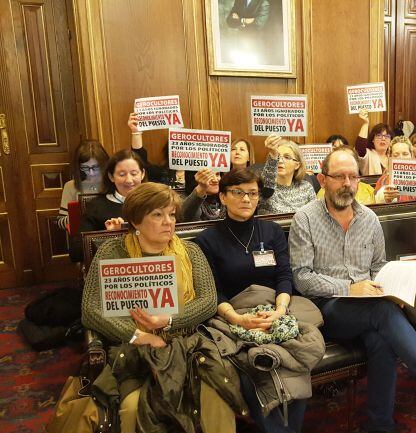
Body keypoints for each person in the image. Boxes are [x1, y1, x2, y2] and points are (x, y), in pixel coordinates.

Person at [289, 148, 416, 432]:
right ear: (323, 180)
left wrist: (393, 287)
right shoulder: (305, 218)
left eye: (352, 176)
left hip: (372, 308)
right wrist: (350, 289)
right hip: (327, 310)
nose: (347, 183)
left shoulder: (369, 219)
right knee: (381, 312)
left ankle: (380, 425)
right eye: (339, 177)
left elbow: (378, 265)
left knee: (381, 338)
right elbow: (302, 278)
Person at [81, 182, 244, 432]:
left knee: (216, 395)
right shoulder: (112, 252)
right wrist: (140, 336)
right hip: (132, 351)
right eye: (157, 215)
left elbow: (208, 301)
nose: (168, 222)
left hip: (185, 344)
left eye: (171, 214)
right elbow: (91, 310)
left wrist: (167, 321)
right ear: (136, 221)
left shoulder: (190, 251)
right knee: (133, 407)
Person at [195, 169, 312, 432]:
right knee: (253, 367)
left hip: (275, 310)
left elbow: (284, 275)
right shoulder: (208, 240)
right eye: (238, 193)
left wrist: (280, 310)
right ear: (223, 198)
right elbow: (213, 290)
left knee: (296, 359)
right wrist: (237, 319)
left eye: (252, 193)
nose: (246, 199)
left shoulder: (271, 231)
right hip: (232, 315)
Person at [80, 149, 146, 233]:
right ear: (111, 177)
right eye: (122, 174)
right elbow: (80, 242)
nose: (129, 180)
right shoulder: (96, 206)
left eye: (134, 174)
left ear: (142, 174)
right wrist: (110, 234)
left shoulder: (154, 203)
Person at [57, 139, 109, 232]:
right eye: (85, 167)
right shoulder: (71, 186)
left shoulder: (114, 182)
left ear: (103, 164)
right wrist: (77, 215)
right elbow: (60, 222)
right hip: (83, 236)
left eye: (95, 167)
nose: (91, 173)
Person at [258, 135, 316, 215]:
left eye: (287, 157)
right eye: (278, 157)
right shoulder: (265, 185)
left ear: (297, 165)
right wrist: (273, 155)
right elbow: (267, 188)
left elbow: (314, 217)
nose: (280, 161)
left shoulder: (306, 187)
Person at [127, 113, 186, 188]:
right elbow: (140, 160)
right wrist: (136, 132)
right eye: (177, 147)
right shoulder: (161, 173)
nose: (181, 152)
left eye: (184, 147)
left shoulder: (199, 174)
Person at [374, 136, 416, 203]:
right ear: (390, 157)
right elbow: (376, 204)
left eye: (405, 154)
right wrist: (384, 198)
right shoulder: (383, 180)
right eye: (396, 155)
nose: (401, 158)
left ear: (411, 155)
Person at [355, 109, 393, 175]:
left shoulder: (393, 155)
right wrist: (365, 123)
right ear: (373, 140)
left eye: (386, 136)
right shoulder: (368, 154)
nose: (383, 139)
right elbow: (359, 148)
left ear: (390, 141)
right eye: (379, 135)